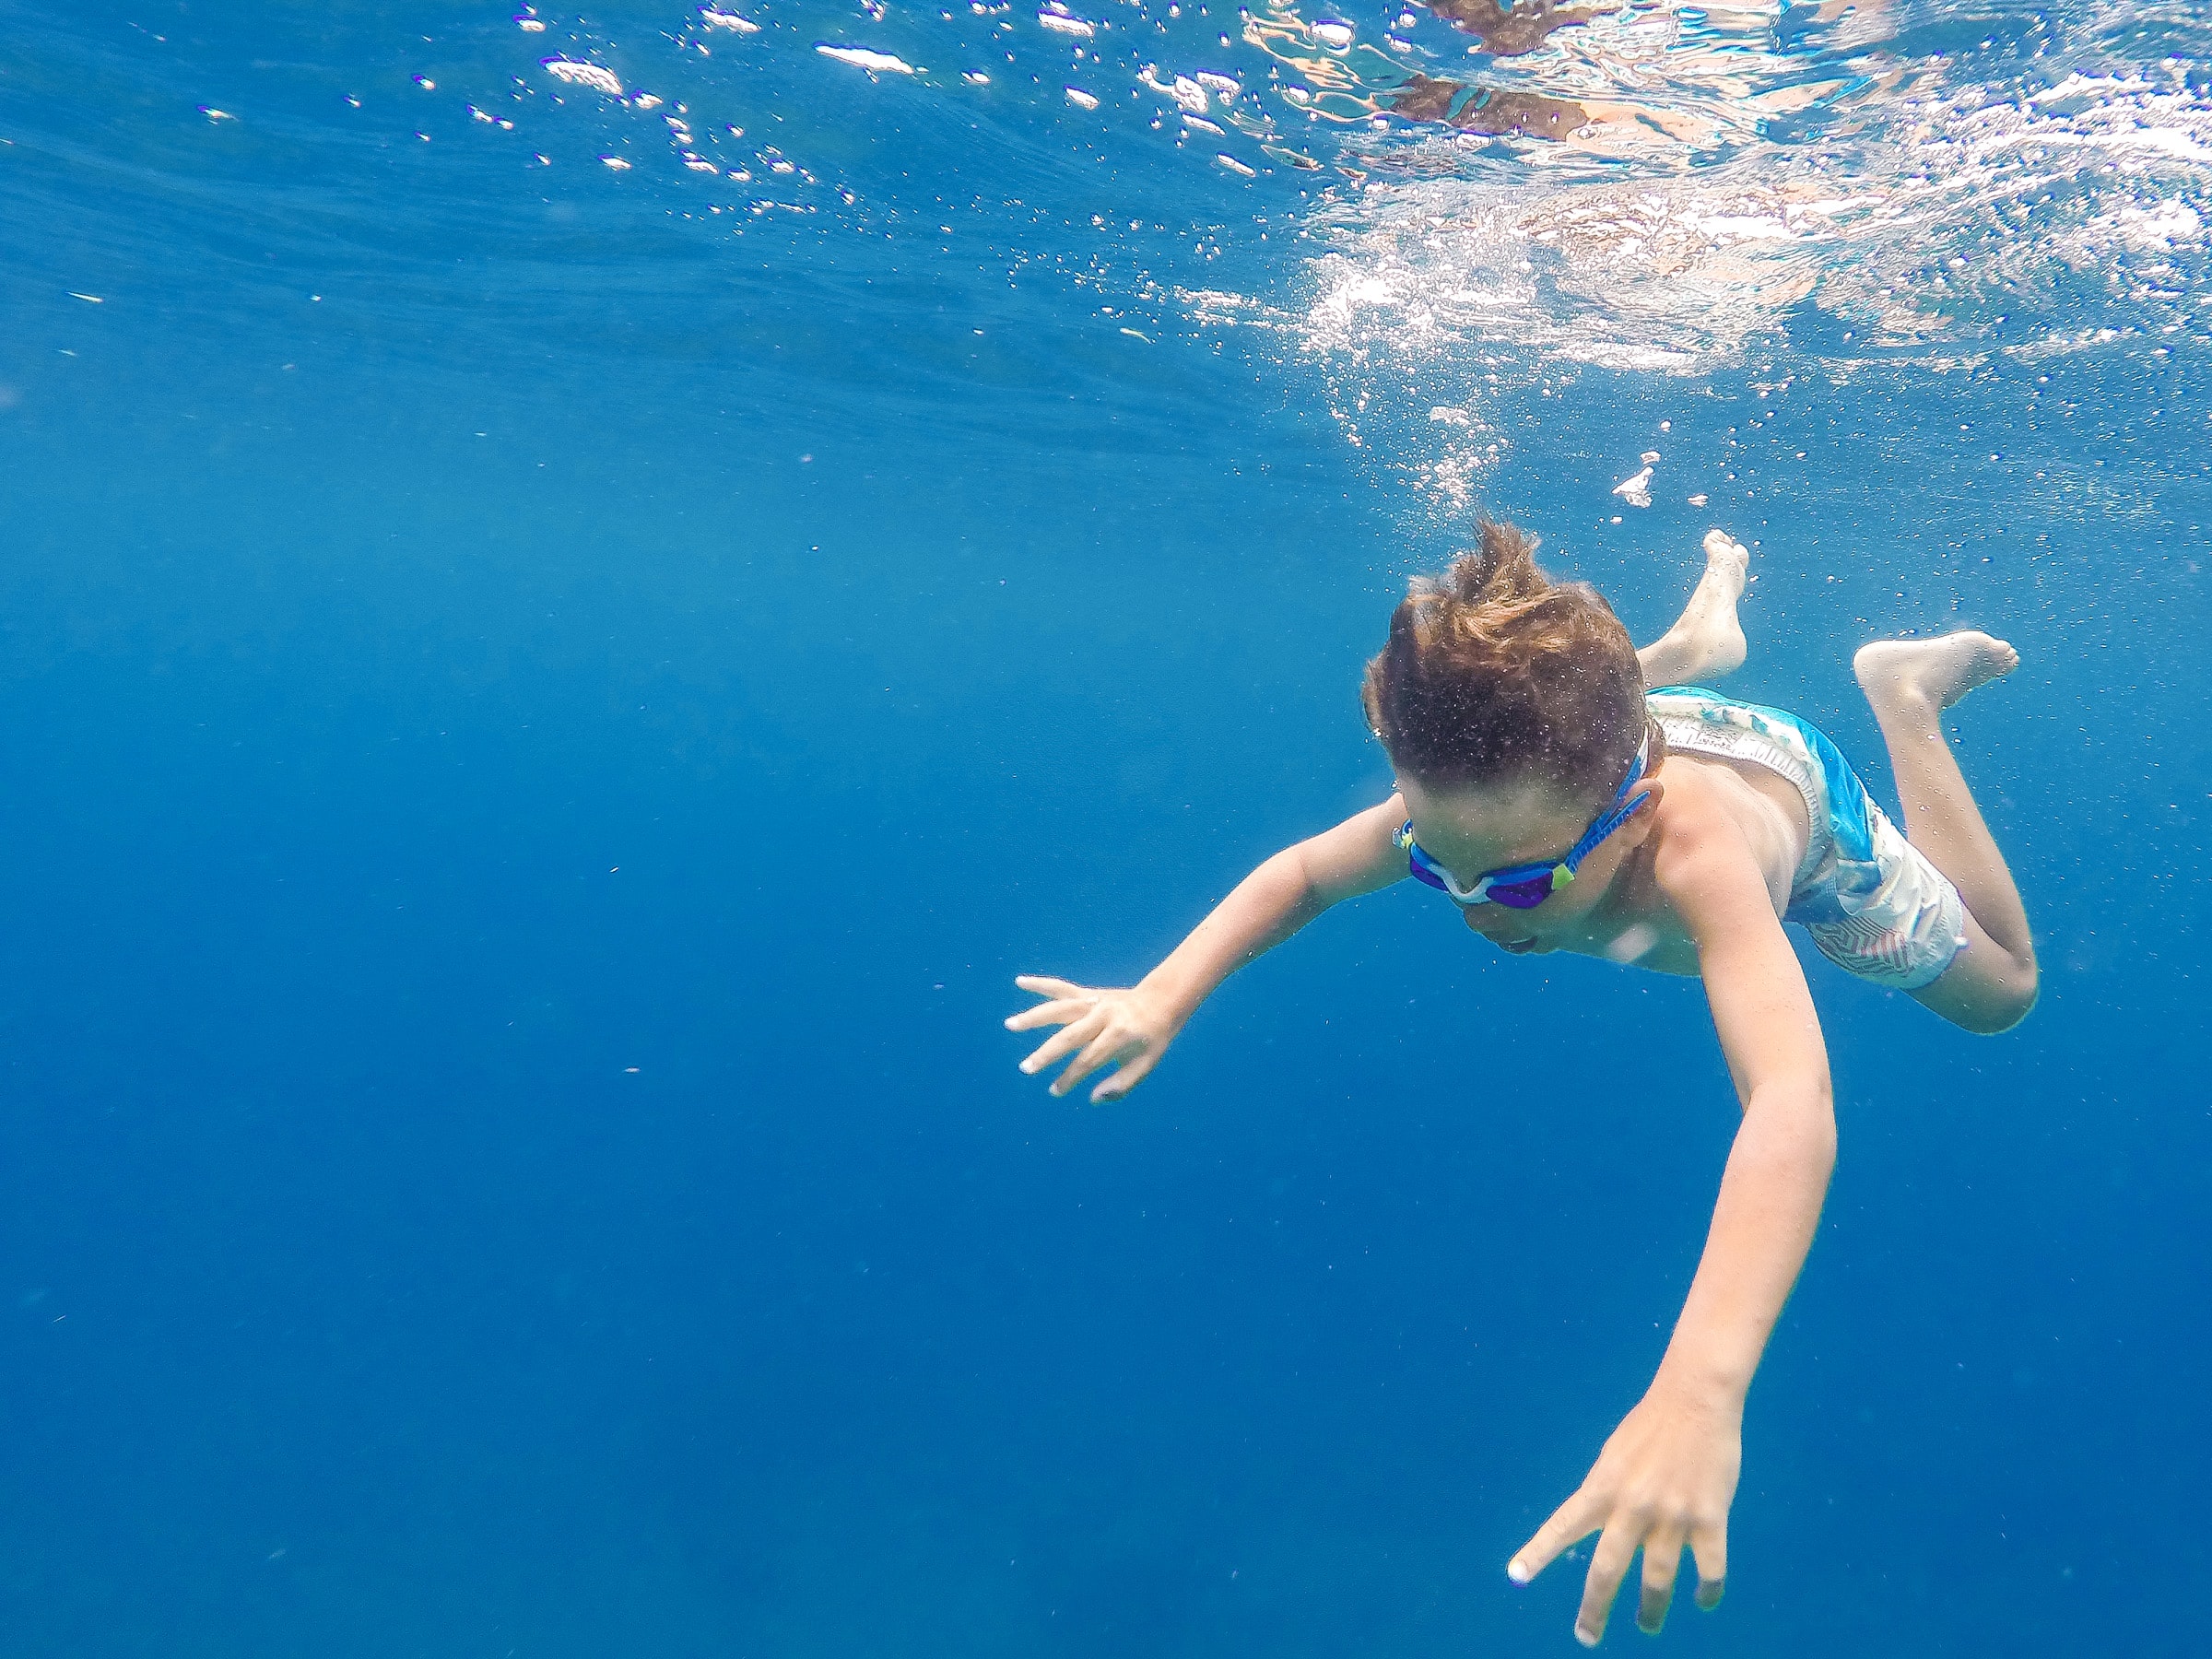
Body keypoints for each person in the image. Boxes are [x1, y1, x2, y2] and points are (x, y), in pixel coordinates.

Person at [1005, 522, 2034, 1644]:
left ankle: (1901, 698)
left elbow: (1790, 1101)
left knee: (2005, 994)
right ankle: (1685, 645)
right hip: (1615, 745)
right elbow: (1303, 871)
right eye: (1430, 865)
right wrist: (1161, 994)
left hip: (1791, 793)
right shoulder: (1488, 801)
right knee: (1555, 742)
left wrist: (1701, 1389)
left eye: (1520, 882)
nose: (1476, 907)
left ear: (1628, 820)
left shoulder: (1700, 859)